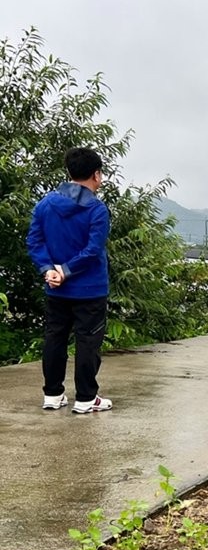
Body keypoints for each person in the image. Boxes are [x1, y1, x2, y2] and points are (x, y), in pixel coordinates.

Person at [26, 147, 113, 413]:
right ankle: (86, 398)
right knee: (88, 342)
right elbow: (93, 249)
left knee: (55, 338)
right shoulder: (97, 210)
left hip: (55, 289)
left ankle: (52, 395)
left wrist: (48, 270)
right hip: (90, 289)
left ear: (69, 172)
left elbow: (34, 240)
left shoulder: (45, 204)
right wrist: (66, 270)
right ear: (96, 175)